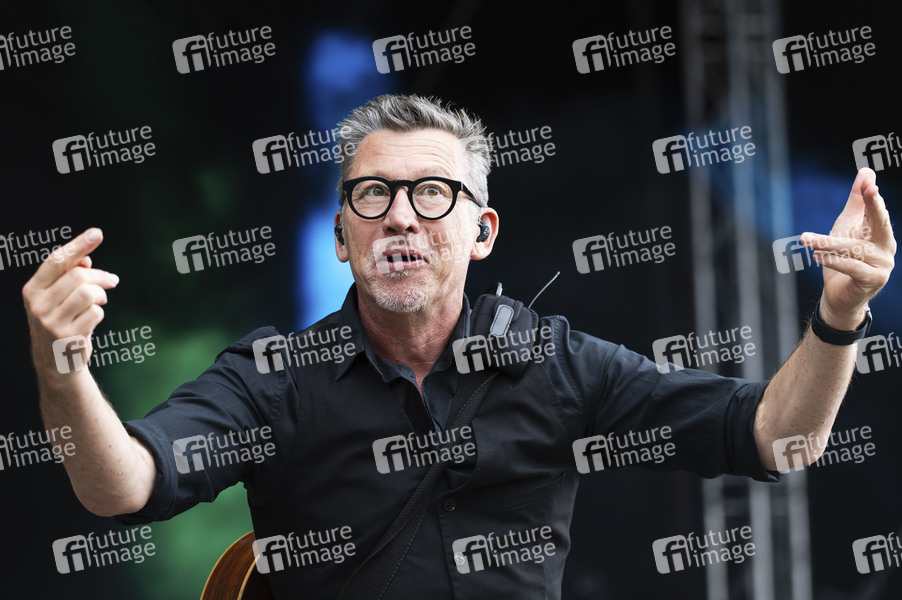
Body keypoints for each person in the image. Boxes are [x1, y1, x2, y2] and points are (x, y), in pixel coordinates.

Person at [23, 94, 896, 599]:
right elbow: (120, 485)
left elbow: (777, 437)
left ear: (481, 232)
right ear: (341, 235)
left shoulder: (558, 364)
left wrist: (839, 316)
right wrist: (62, 368)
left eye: (432, 193)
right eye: (373, 195)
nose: (401, 217)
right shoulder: (271, 381)